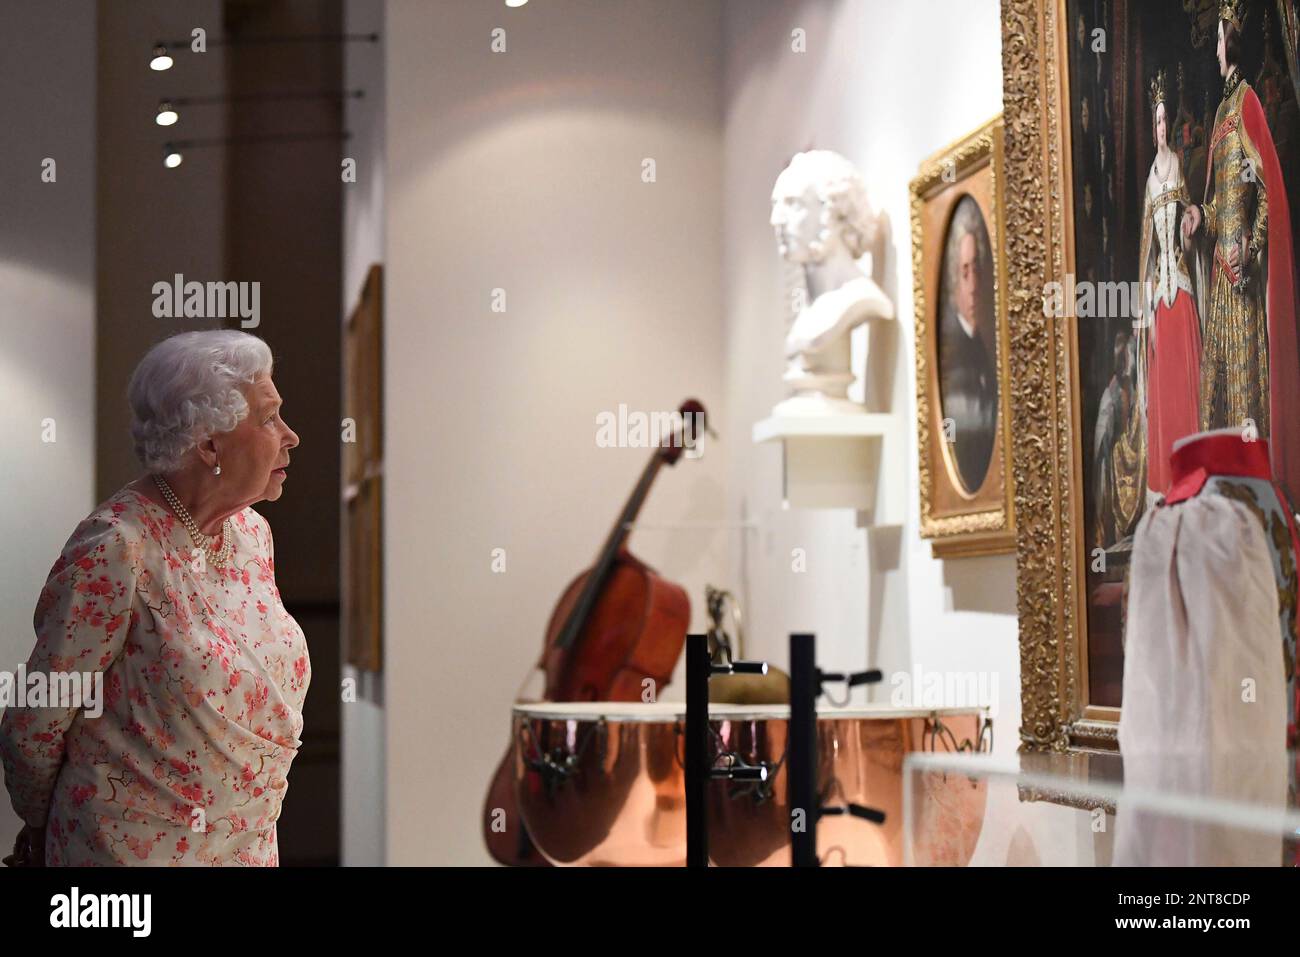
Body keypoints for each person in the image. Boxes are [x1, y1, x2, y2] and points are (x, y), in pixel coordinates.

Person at [0, 330, 307, 865]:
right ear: (210, 443)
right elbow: (36, 720)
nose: (291, 435)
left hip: (247, 850)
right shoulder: (116, 547)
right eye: (268, 417)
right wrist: (44, 826)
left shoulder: (253, 535)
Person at [1182, 0, 1300, 506]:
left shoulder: (1248, 101)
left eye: (1218, 37)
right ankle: (1223, 491)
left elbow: (1268, 188)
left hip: (1241, 274)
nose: (1214, 47)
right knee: (1219, 382)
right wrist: (1198, 217)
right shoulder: (1219, 113)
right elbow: (1216, 201)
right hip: (1219, 266)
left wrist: (1249, 246)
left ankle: (1255, 494)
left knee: (1247, 381)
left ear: (1230, 39)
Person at [1139, 69, 1203, 497]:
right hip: (1161, 292)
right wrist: (1144, 299)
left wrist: (1185, 233)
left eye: (1166, 122)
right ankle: (1170, 477)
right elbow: (1146, 249)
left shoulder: (1178, 166)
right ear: (1152, 125)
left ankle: (1196, 469)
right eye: (1158, 122)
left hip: (1180, 285)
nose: (1163, 128)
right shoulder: (1148, 180)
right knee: (1165, 385)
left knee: (1186, 380)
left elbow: (1187, 221)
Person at [938, 198, 998, 492]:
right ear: (953, 282)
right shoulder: (954, 357)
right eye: (964, 273)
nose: (973, 286)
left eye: (977, 270)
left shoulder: (983, 348)